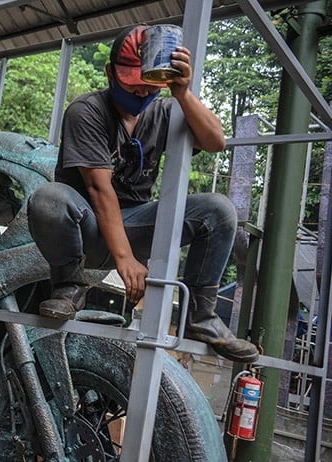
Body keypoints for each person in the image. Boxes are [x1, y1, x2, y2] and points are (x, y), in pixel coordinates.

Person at [27, 25, 259, 363]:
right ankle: (68, 287)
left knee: (219, 209)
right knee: (49, 198)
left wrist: (182, 94)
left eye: (147, 87)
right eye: (131, 86)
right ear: (110, 73)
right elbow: (97, 188)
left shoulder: (166, 111)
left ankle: (200, 316)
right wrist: (124, 259)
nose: (139, 96)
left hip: (135, 224)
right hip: (85, 226)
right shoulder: (86, 111)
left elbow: (215, 142)